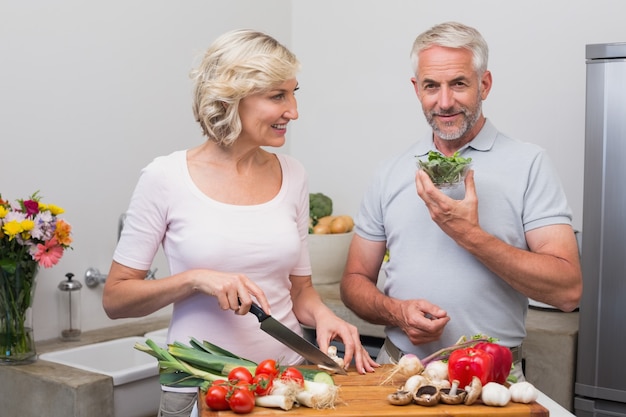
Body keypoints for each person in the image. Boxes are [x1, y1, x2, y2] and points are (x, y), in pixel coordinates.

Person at [103, 29, 378, 417]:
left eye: (294, 92)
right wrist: (195, 278)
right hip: (198, 383)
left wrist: (324, 316)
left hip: (285, 382)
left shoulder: (293, 174)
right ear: (232, 98)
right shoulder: (164, 177)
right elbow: (115, 299)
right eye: (277, 96)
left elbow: (300, 291)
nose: (294, 111)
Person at [340, 22, 582, 376]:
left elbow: (567, 291)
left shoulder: (529, 163)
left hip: (492, 377)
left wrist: (469, 234)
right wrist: (396, 312)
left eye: (459, 84)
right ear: (416, 89)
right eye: (431, 86)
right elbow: (354, 280)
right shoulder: (389, 171)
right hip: (399, 369)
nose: (445, 101)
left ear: (484, 84)